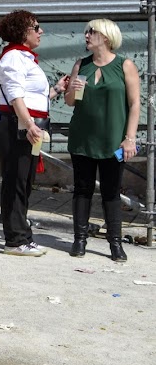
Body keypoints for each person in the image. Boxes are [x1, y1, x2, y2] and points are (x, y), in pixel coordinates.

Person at [0, 10, 69, 256]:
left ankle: (23, 234)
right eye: (36, 27)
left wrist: (57, 89)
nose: (41, 31)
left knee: (25, 182)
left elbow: (33, 97)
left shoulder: (25, 58)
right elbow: (15, 95)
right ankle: (14, 240)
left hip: (25, 125)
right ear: (23, 32)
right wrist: (29, 125)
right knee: (16, 181)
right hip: (16, 126)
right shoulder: (13, 58)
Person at [64, 19, 140, 262]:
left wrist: (129, 139)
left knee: (111, 191)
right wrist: (72, 89)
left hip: (113, 141)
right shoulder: (81, 64)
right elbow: (70, 102)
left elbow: (134, 104)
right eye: (86, 32)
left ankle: (115, 243)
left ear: (106, 37)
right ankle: (80, 240)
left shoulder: (124, 65)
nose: (86, 35)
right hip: (82, 138)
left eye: (91, 32)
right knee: (82, 189)